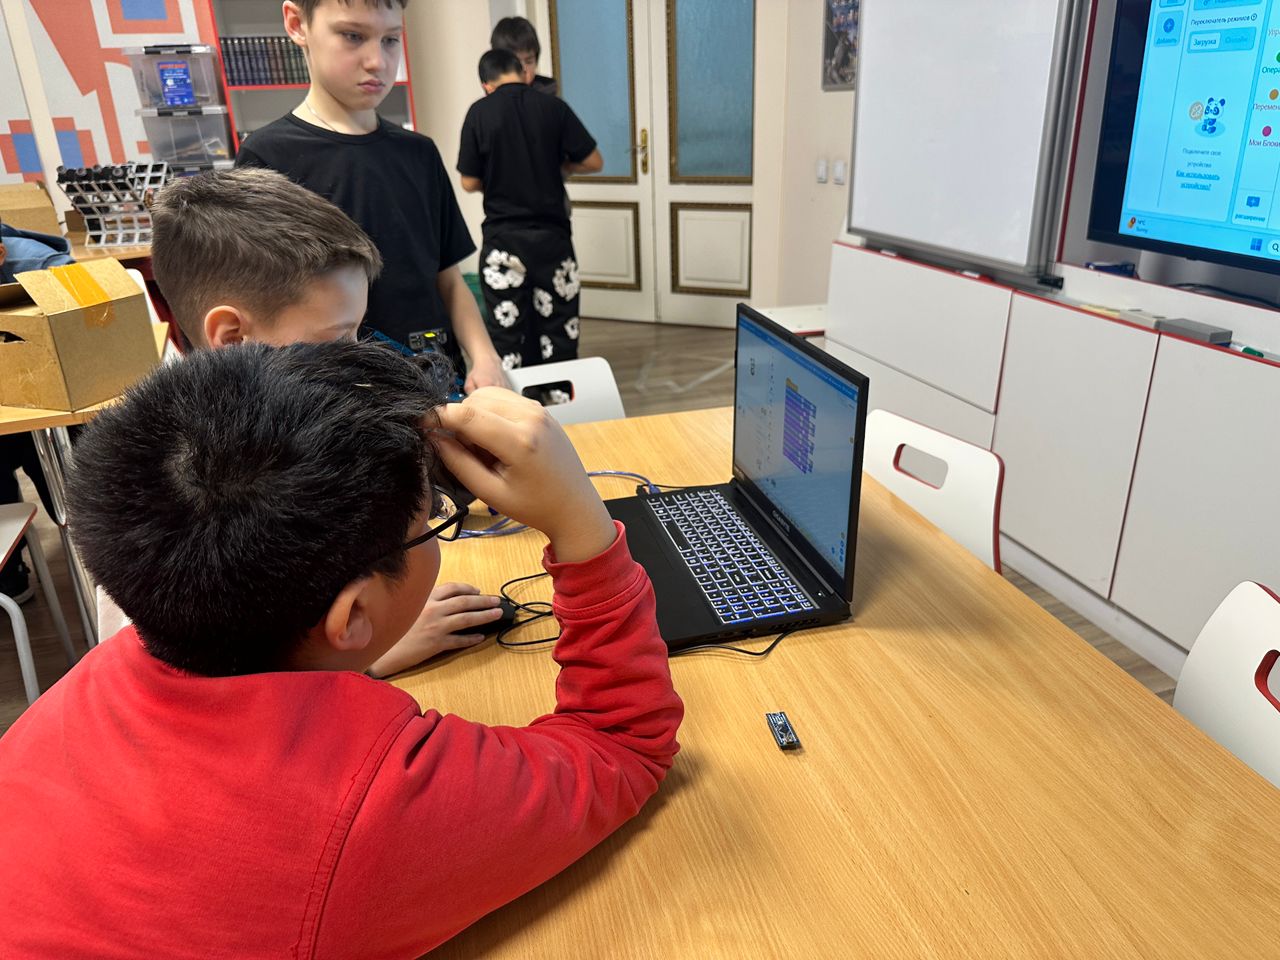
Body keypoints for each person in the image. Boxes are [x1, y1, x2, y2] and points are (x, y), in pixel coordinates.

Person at [0, 341, 683, 957]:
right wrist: (581, 521)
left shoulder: (101, 674)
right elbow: (623, 747)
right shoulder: (372, 808)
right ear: (351, 615)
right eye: (433, 519)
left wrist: (367, 662)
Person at [141, 167, 504, 669]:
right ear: (233, 338)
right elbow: (219, 687)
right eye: (337, 338)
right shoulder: (177, 502)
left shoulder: (309, 418)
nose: (355, 356)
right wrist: (379, 653)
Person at [233, 0, 506, 393]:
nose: (378, 61)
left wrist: (485, 357)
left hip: (437, 379)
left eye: (391, 40)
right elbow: (268, 310)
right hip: (335, 395)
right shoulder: (266, 157)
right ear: (297, 24)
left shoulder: (420, 153)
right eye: (352, 36)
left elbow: (448, 278)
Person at [459, 49, 602, 370]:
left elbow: (468, 181)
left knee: (507, 335)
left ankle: (514, 398)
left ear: (486, 84)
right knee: (560, 330)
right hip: (553, 240)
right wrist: (559, 168)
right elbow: (594, 161)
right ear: (524, 74)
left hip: (504, 242)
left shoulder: (479, 112)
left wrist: (498, 179)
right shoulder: (554, 107)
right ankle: (560, 395)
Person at [0, 220, 72, 601]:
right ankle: (10, 570)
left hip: (50, 406)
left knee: (57, 463)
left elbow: (88, 340)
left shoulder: (45, 270)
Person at [490, 15, 558, 96]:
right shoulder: (491, 100)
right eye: (515, 63)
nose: (523, 69)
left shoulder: (550, 99)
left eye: (529, 62)